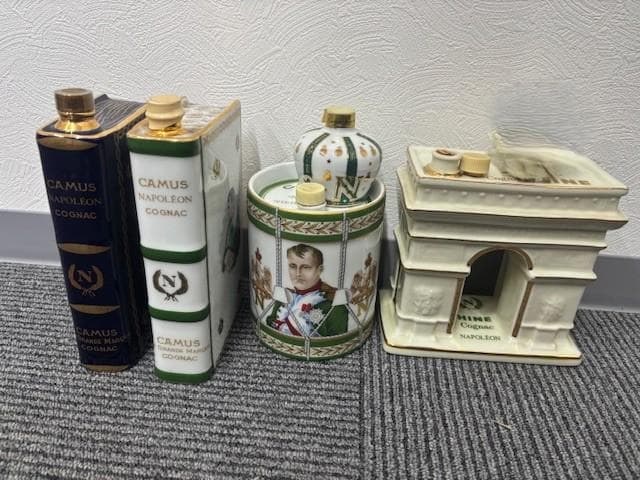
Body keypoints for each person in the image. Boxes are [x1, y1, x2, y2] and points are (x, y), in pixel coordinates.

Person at [265, 244, 348, 337]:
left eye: (306, 267)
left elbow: (337, 338)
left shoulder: (335, 304)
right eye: (293, 266)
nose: (298, 273)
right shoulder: (285, 296)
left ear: (320, 270)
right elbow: (270, 321)